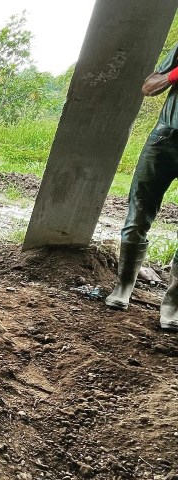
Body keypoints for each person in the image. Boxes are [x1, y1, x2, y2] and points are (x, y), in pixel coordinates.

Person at [106, 42, 178, 331]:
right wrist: (174, 75)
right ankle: (123, 286)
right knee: (137, 215)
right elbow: (148, 87)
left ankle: (172, 303)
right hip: (165, 141)